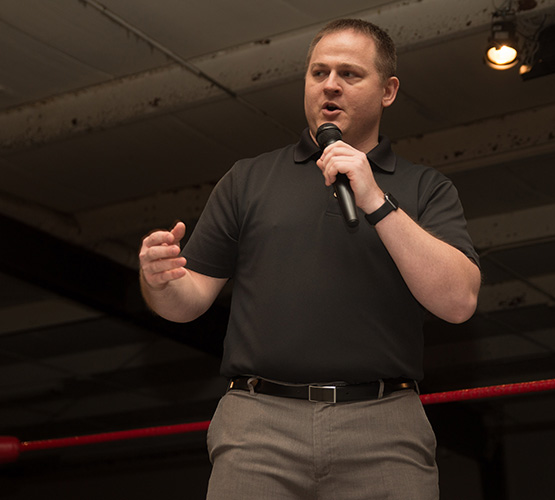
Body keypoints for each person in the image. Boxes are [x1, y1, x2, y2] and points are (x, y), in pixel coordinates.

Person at [139, 18, 481, 500]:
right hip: (259, 427)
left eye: (349, 74)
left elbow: (459, 302)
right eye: (319, 73)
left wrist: (376, 199)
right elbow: (186, 302)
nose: (330, 85)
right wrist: (158, 280)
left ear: (388, 91)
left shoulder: (426, 188)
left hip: (384, 428)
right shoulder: (248, 179)